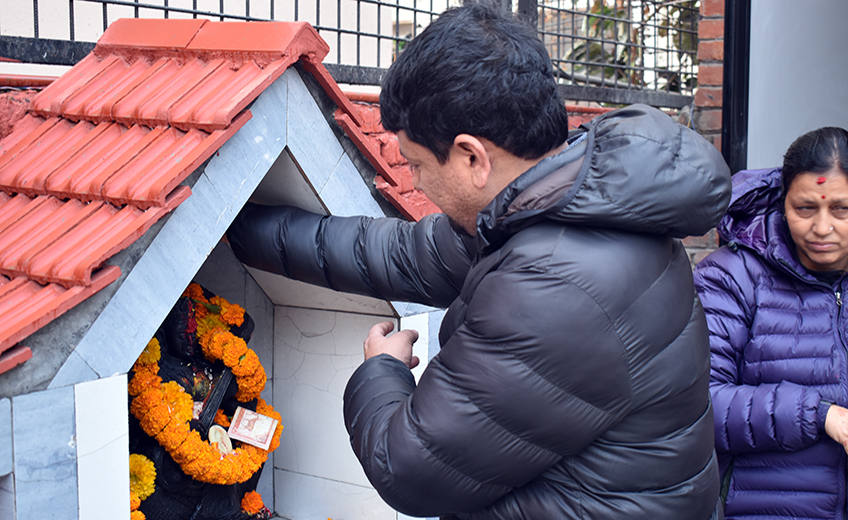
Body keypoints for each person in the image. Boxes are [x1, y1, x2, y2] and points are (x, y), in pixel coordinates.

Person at [227, 4, 731, 518]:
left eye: (418, 164)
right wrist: (234, 226)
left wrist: (381, 369)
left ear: (472, 157)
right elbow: (403, 255)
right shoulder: (555, 202)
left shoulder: (555, 286)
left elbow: (409, 469)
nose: (416, 182)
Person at [694, 126, 848, 520]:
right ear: (783, 202)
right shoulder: (730, 277)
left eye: (842, 209)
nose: (823, 228)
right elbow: (695, 405)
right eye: (805, 208)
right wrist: (819, 414)